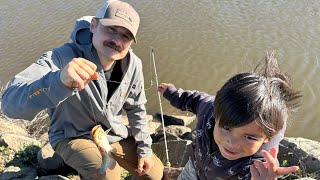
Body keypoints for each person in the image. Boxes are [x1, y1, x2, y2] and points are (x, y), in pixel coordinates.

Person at [1, 0, 163, 179]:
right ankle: (73, 161)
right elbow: (9, 103)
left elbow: (136, 109)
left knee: (154, 173)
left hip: (111, 134)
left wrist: (145, 148)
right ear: (94, 25)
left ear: (131, 42)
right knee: (108, 174)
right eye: (111, 29)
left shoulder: (134, 65)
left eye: (125, 36)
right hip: (71, 135)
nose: (117, 40)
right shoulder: (60, 58)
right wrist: (58, 81)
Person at [158, 52, 302, 180]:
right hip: (194, 168)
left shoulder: (259, 165)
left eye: (249, 137)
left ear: (268, 137)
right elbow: (195, 99)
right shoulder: (210, 110)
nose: (231, 143)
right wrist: (173, 94)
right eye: (226, 127)